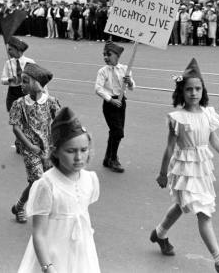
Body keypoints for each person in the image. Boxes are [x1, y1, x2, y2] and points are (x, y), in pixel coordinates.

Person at [151, 58, 219, 273]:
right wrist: (162, 173)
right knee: (203, 212)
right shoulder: (178, 117)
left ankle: (159, 233)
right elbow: (169, 148)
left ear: (203, 90)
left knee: (181, 206)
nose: (194, 93)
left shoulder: (208, 113)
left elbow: (214, 140)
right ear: (181, 92)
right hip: (184, 168)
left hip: (202, 167)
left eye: (198, 88)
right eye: (189, 89)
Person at [17, 107, 100, 273]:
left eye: (83, 150)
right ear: (55, 152)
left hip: (81, 251)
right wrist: (47, 267)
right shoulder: (47, 185)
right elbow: (38, 233)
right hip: (53, 254)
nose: (78, 157)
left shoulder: (90, 179)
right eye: (70, 151)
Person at [9, 63, 61, 223]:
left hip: (48, 149)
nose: (22, 85)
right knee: (38, 180)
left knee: (43, 182)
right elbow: (16, 128)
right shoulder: (20, 103)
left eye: (26, 81)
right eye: (22, 81)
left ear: (37, 84)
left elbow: (60, 119)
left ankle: (19, 206)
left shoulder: (51, 101)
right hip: (30, 149)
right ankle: (36, 210)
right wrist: (29, 145)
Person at [94, 41, 135, 173]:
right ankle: (113, 159)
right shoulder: (102, 71)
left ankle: (107, 158)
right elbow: (98, 89)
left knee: (115, 131)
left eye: (109, 54)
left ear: (117, 56)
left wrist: (129, 82)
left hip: (122, 102)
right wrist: (110, 100)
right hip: (110, 104)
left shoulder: (125, 69)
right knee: (118, 132)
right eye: (104, 54)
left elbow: (132, 87)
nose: (105, 57)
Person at [1, 37, 34, 112]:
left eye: (10, 49)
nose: (8, 52)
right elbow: (3, 80)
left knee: (26, 114)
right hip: (13, 92)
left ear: (18, 50)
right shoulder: (8, 63)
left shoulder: (30, 62)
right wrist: (9, 80)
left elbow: (37, 79)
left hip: (26, 92)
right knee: (13, 114)